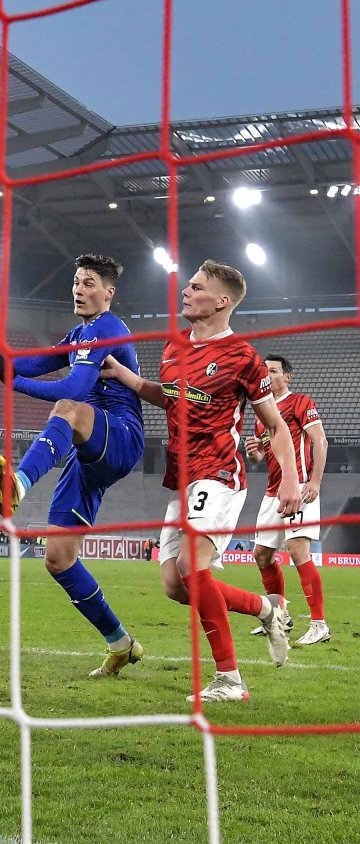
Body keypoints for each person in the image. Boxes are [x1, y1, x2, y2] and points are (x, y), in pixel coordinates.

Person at [101, 260, 300, 701]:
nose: (185, 292)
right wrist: (130, 379)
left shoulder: (242, 356)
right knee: (176, 585)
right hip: (181, 477)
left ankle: (230, 680)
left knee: (194, 566)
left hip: (220, 470)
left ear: (222, 300)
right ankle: (265, 609)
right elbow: (169, 395)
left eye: (196, 287)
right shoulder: (174, 348)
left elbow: (276, 425)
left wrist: (287, 478)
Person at [0, 254, 149, 678]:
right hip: (87, 452)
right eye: (77, 281)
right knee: (58, 558)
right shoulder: (79, 332)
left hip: (121, 435)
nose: (80, 289)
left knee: (68, 406)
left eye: (90, 282)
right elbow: (35, 361)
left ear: (109, 292)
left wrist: (12, 382)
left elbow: (75, 388)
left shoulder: (109, 329)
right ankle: (121, 644)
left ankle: (19, 483)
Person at [246, 354, 329, 645]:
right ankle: (279, 615)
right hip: (273, 492)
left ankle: (319, 624)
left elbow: (320, 440)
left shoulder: (301, 402)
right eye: (264, 372)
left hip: (301, 486)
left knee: (297, 551)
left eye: (273, 371)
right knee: (261, 554)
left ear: (287, 376)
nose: (267, 375)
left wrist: (315, 481)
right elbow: (263, 456)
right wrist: (255, 452)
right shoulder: (262, 415)